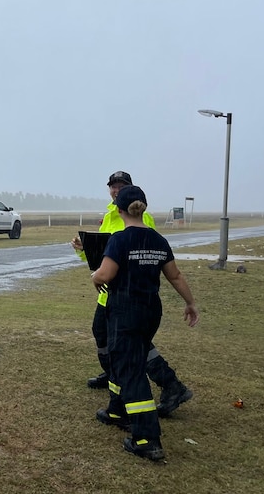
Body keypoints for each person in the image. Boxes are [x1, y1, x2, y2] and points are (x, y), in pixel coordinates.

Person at [90, 185, 199, 461]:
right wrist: (190, 303)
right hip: (151, 310)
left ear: (119, 209)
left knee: (131, 371)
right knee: (127, 360)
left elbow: (105, 274)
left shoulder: (120, 239)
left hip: (125, 310)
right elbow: (174, 276)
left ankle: (146, 438)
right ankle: (116, 410)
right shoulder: (158, 240)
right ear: (144, 208)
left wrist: (94, 278)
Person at [71, 171, 192, 417]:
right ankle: (115, 377)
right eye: (112, 186)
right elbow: (102, 258)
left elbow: (141, 255)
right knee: (106, 336)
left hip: (127, 295)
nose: (115, 190)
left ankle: (168, 384)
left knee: (132, 345)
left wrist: (102, 275)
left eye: (121, 186)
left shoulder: (141, 218)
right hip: (109, 293)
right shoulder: (108, 216)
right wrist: (84, 251)